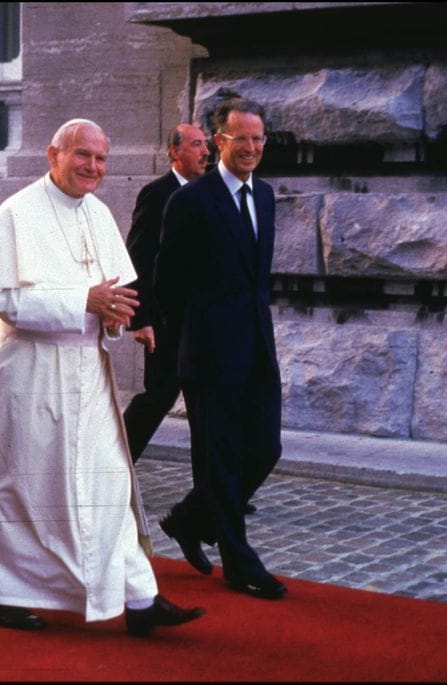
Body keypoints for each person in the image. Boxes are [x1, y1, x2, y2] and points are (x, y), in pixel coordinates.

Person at [0, 118, 204, 636]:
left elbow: (109, 294)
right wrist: (82, 302)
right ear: (54, 154)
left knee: (109, 480)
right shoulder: (16, 213)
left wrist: (115, 319)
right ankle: (0, 594)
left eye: (101, 158)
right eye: (82, 155)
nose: (93, 167)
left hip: (86, 368)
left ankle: (138, 595)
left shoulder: (98, 213)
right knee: (20, 485)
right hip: (28, 369)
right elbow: (3, 301)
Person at [154, 98, 286, 600]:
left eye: (258, 139)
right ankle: (240, 561)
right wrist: (187, 338)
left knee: (265, 447)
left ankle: (189, 519)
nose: (251, 148)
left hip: (256, 345)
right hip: (208, 352)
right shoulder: (190, 201)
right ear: (217, 143)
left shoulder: (267, 195)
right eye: (240, 139)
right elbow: (167, 284)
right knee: (221, 460)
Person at [122, 124, 209, 464]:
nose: (205, 152)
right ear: (175, 152)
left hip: (205, 322)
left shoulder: (212, 193)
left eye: (206, 145)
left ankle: (214, 494)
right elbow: (137, 259)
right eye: (196, 145)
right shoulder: (156, 194)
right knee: (157, 397)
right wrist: (140, 319)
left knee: (208, 410)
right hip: (166, 324)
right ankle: (111, 473)